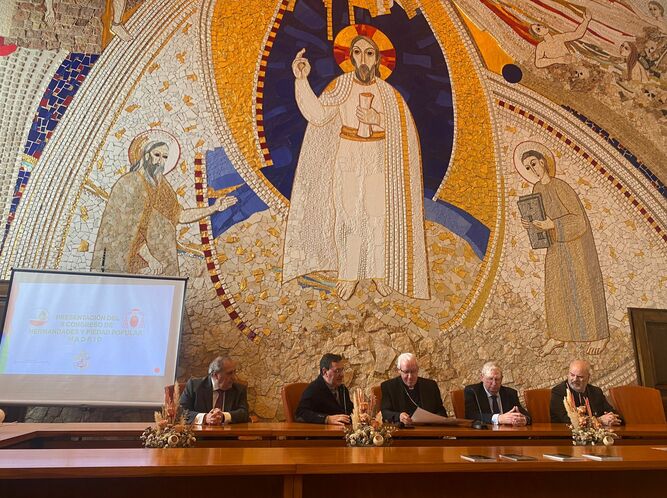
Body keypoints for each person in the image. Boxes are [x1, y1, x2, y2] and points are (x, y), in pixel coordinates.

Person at [282, 25, 429, 301]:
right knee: (348, 215)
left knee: (378, 216)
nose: (363, 59)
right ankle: (349, 273)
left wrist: (378, 120)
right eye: (358, 52)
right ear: (350, 56)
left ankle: (379, 272)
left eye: (369, 53)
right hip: (348, 155)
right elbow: (317, 115)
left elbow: (405, 132)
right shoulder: (340, 86)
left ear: (378, 60)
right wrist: (301, 80)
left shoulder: (389, 95)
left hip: (377, 158)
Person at [91, 131, 237, 275]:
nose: (160, 160)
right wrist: (149, 258)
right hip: (128, 260)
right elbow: (128, 228)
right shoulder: (130, 182)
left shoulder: (162, 186)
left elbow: (180, 216)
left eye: (165, 157)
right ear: (146, 155)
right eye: (157, 155)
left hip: (159, 262)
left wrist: (214, 208)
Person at [515, 142, 609, 356]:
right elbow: (541, 218)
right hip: (556, 246)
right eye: (528, 168)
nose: (532, 169)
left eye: (533, 163)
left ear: (542, 162)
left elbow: (579, 220)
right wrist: (531, 225)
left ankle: (599, 335)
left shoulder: (561, 187)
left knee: (584, 287)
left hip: (577, 247)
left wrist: (554, 224)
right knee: (556, 288)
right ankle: (558, 335)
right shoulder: (536, 189)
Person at [179, 355, 249, 425]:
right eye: (229, 373)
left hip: (227, 434)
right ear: (215, 375)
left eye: (234, 372)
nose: (234, 377)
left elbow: (244, 413)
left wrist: (223, 416)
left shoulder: (239, 389)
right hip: (199, 435)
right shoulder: (194, 386)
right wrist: (205, 418)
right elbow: (181, 411)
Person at [550, 359, 622, 426]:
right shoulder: (558, 392)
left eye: (580, 377)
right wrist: (599, 420)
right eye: (572, 375)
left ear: (588, 377)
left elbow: (613, 413)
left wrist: (612, 418)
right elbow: (568, 421)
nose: (575, 379)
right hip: (567, 436)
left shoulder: (596, 392)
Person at [381, 353, 447, 425]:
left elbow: (441, 410)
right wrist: (399, 416)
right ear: (399, 371)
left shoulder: (431, 386)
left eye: (413, 371)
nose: (410, 376)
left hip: (428, 432)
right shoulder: (389, 387)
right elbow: (384, 413)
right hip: (403, 433)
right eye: (406, 372)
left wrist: (436, 419)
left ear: (417, 369)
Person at [464, 362, 531, 426]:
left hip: (507, 432)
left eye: (497, 379)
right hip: (485, 434)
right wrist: (498, 418)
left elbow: (525, 414)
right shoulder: (472, 391)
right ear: (482, 377)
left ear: (501, 379)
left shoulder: (510, 393)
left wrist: (524, 420)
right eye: (490, 379)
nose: (494, 383)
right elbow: (471, 415)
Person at [295, 353, 353, 425]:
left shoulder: (343, 389)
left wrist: (359, 415)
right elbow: (301, 414)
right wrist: (327, 419)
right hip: (323, 434)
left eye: (342, 370)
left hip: (342, 433)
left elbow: (349, 412)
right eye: (337, 371)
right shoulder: (313, 389)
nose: (342, 374)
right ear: (325, 372)